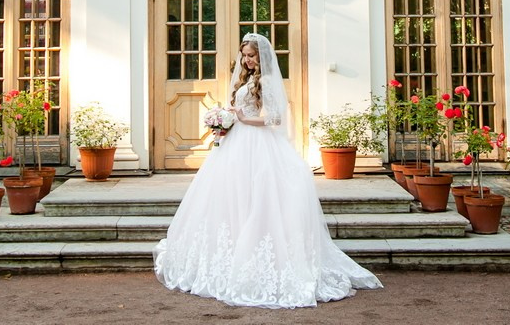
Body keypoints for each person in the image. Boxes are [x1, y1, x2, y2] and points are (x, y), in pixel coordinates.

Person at [153, 32, 382, 308]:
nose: (247, 60)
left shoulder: (269, 81)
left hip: (259, 144)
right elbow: (236, 108)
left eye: (251, 56)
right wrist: (224, 121)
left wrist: (243, 120)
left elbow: (273, 119)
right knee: (231, 197)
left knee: (259, 196)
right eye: (245, 56)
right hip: (234, 145)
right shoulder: (244, 79)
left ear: (261, 56)